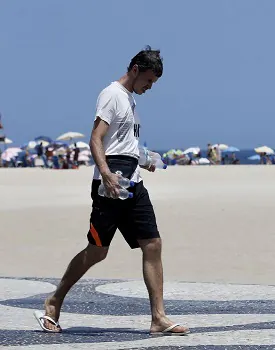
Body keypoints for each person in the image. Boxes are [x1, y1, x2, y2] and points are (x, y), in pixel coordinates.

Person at [34, 46, 189, 336]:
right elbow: (96, 138)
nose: (149, 87)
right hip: (111, 184)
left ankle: (159, 318)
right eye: (149, 81)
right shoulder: (111, 94)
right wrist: (106, 175)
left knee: (152, 243)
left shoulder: (129, 100)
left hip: (133, 181)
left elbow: (123, 144)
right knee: (97, 252)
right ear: (135, 70)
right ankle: (54, 302)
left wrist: (145, 159)